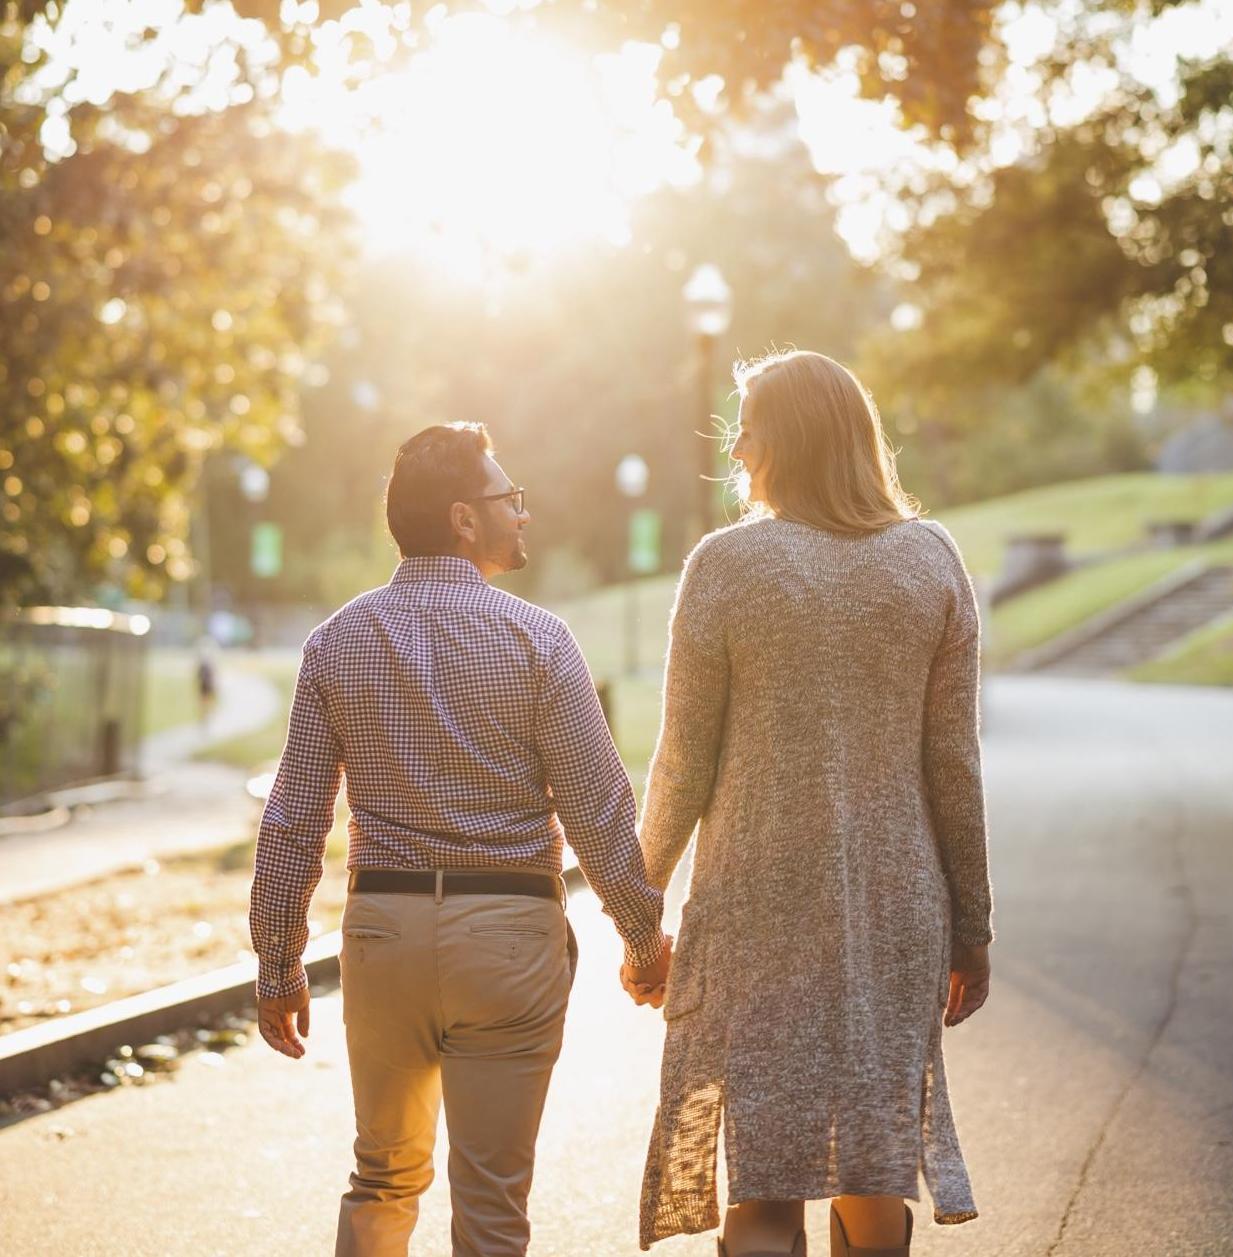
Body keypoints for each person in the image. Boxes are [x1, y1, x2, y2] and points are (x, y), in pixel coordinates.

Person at [248, 422, 671, 1257]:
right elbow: (596, 809)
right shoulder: (538, 640)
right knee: (490, 1205)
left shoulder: (336, 641)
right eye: (507, 499)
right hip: (506, 933)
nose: (523, 513)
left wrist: (277, 960)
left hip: (384, 935)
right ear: (462, 519)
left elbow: (296, 816)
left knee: (382, 1175)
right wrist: (643, 937)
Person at [631, 351, 993, 1257]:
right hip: (893, 912)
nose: (737, 443)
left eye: (748, 423)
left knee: (763, 1186)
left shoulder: (724, 567)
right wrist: (971, 928)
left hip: (755, 910)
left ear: (785, 440)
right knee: (873, 1177)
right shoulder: (930, 559)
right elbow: (953, 765)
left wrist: (640, 911)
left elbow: (683, 764)